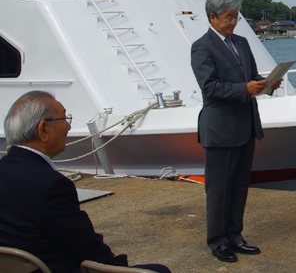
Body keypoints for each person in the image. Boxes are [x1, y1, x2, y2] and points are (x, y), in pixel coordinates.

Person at [0, 90, 170, 273]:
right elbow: (86, 247)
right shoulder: (52, 185)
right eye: (64, 118)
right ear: (43, 130)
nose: (68, 127)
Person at [190, 0, 282, 263]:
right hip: (220, 129)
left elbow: (251, 77)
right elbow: (210, 87)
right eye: (229, 17)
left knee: (240, 185)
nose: (233, 22)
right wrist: (245, 88)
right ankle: (217, 241)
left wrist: (267, 83)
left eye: (236, 17)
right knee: (219, 188)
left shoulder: (241, 42)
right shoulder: (202, 46)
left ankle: (234, 235)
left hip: (245, 125)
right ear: (213, 17)